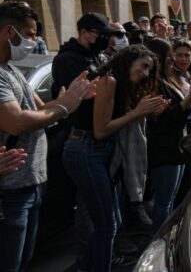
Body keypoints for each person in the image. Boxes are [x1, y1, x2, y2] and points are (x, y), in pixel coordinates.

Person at [0, 1, 93, 272]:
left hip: (31, 183)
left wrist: (68, 99)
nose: (34, 41)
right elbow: (16, 122)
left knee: (23, 261)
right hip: (10, 191)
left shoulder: (12, 71)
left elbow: (40, 110)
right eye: (29, 35)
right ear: (9, 32)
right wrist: (64, 107)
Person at [62, 45, 167, 272]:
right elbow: (101, 130)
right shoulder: (108, 81)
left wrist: (145, 111)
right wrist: (137, 113)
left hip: (98, 151)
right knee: (106, 225)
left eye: (150, 69)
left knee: (104, 220)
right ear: (128, 61)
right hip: (87, 149)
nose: (146, 73)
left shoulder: (122, 83)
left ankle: (86, 265)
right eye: (144, 66)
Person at [143, 39, 191, 232]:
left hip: (176, 144)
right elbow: (162, 118)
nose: (174, 61)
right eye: (170, 56)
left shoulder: (168, 79)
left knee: (172, 198)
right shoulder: (153, 84)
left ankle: (169, 234)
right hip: (164, 147)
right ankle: (159, 240)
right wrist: (188, 100)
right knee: (164, 200)